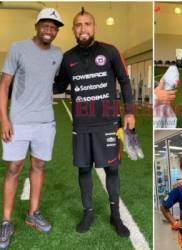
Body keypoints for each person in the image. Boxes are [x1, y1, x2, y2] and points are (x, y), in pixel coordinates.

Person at [53, 9, 134, 237]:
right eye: (78, 25)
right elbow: (58, 86)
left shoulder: (109, 51)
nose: (83, 29)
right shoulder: (67, 58)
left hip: (108, 122)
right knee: (84, 169)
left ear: (94, 27)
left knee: (112, 169)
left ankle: (115, 215)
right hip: (82, 123)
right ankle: (87, 212)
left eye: (87, 24)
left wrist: (129, 112)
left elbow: (125, 82)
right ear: (73, 30)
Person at [0, 8, 63, 249]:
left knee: (38, 165)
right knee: (14, 167)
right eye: (46, 25)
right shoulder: (18, 48)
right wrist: (4, 120)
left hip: (45, 122)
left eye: (54, 26)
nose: (50, 30)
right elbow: (4, 85)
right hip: (18, 121)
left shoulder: (58, 54)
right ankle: (6, 220)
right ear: (37, 26)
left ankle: (32, 213)